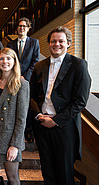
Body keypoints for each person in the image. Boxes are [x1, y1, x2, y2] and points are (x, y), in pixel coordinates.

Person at [30, 26, 91, 185]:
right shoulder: (39, 66)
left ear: (68, 43)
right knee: (47, 171)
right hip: (42, 124)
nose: (57, 44)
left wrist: (56, 120)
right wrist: (38, 115)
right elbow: (31, 96)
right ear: (48, 44)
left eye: (61, 41)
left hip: (64, 127)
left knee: (64, 173)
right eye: (53, 41)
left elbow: (80, 101)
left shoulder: (79, 65)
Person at [0, 48, 29, 185]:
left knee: (13, 177)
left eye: (8, 58)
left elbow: (22, 117)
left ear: (14, 61)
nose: (5, 61)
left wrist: (15, 145)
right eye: (2, 59)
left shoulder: (22, 84)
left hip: (9, 137)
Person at [7, 17, 40, 143]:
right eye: (20, 26)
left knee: (27, 105)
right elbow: (9, 60)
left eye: (24, 26)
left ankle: (28, 131)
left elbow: (35, 61)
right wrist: (16, 75)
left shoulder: (34, 42)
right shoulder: (11, 44)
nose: (21, 28)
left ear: (28, 28)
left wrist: (25, 76)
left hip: (28, 79)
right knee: (16, 105)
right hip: (14, 79)